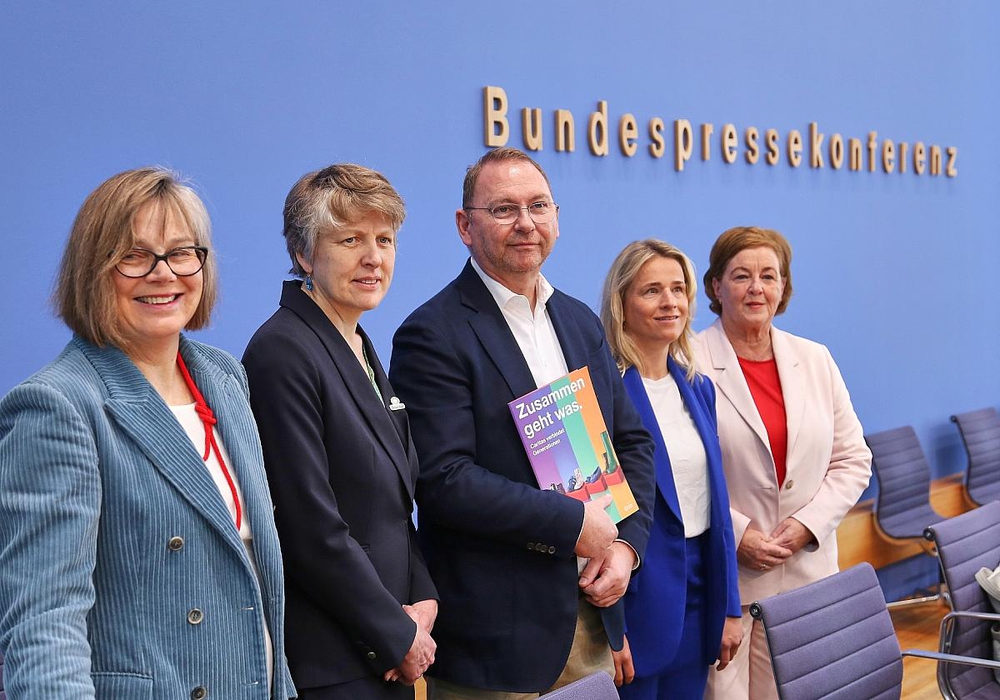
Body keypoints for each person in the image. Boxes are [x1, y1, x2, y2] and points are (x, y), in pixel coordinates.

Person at [0, 167, 295, 698]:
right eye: (134, 256)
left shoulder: (224, 378)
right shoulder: (58, 405)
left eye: (181, 252)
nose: (163, 274)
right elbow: (44, 623)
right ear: (93, 270)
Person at [389, 147, 656, 699]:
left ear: (556, 216)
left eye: (538, 206)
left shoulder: (579, 321)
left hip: (591, 614)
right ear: (465, 226)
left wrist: (625, 548)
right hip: (498, 641)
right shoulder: (432, 334)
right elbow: (444, 479)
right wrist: (572, 523)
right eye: (504, 209)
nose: (526, 223)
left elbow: (631, 443)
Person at [242, 164, 438, 700]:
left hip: (389, 647)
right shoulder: (283, 351)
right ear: (304, 254)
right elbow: (309, 527)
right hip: (334, 662)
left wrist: (424, 598)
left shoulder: (359, 345)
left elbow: (392, 504)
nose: (373, 257)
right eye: (350, 240)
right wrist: (395, 633)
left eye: (384, 240)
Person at [696, 226, 872, 700]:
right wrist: (738, 534)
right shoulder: (687, 361)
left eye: (769, 276)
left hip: (806, 574)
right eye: (741, 276)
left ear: (784, 287)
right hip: (730, 582)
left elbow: (853, 458)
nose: (756, 288)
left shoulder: (815, 358)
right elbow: (676, 473)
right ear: (716, 286)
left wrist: (806, 525)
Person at [600, 239, 742, 699]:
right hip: (637, 598)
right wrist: (610, 628)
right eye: (652, 290)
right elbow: (594, 512)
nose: (670, 302)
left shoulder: (698, 388)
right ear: (621, 305)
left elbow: (717, 505)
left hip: (702, 594)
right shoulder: (601, 395)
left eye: (678, 289)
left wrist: (730, 606)